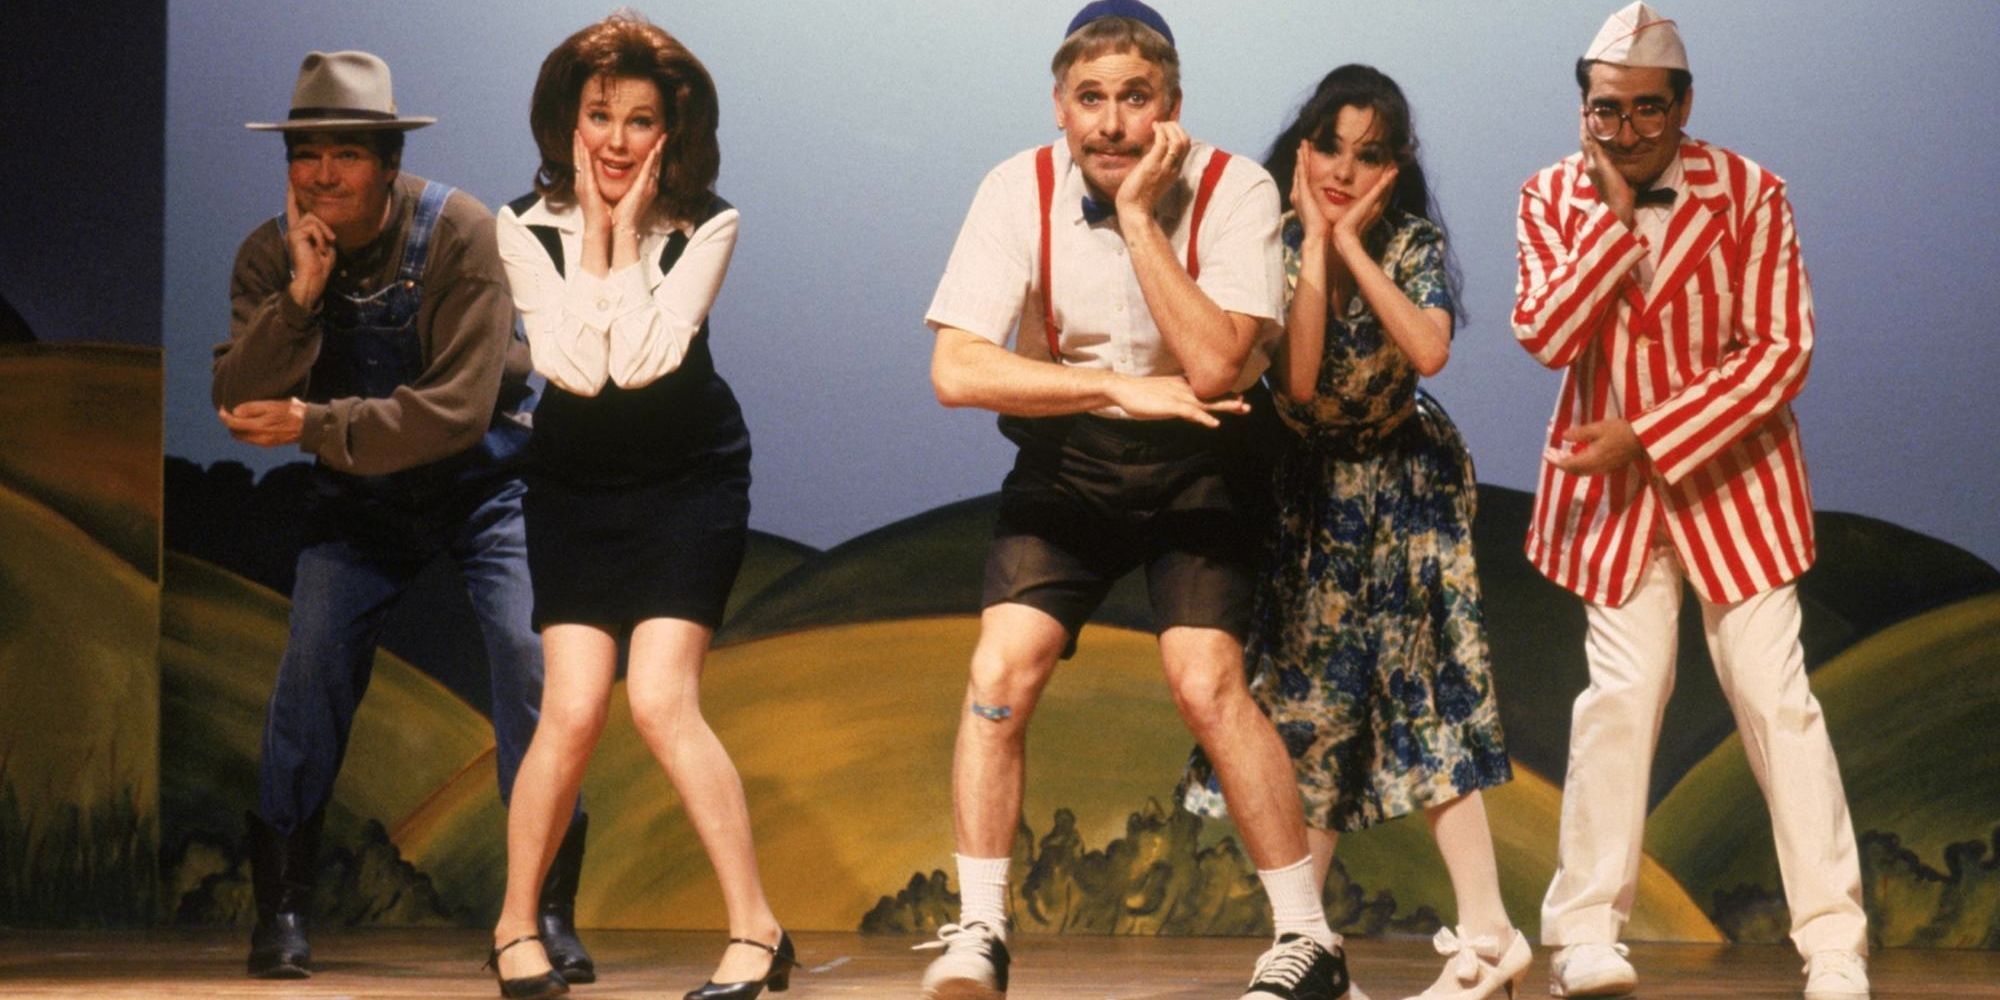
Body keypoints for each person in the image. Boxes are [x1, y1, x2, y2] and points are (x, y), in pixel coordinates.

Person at [919, 3, 1348, 998]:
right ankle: (978, 930)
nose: (1111, 125)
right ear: (1060, 107)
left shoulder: (1236, 187)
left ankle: (1305, 938)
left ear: (1172, 107)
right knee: (998, 672)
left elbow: (1210, 365)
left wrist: (1136, 217)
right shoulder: (1013, 186)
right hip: (1071, 453)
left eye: (1134, 99)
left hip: (1203, 455)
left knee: (1203, 681)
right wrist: (1111, 386)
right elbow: (953, 366)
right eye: (1090, 100)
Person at [1513, 5, 1869, 998]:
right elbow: (1543, 332)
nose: (1622, 134)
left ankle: (1832, 942)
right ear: (1580, 107)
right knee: (1618, 705)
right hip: (1612, 502)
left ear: (1683, 104)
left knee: (1775, 703)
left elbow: (1777, 350)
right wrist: (1613, 225)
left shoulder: (1750, 192)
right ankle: (1583, 931)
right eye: (1602, 113)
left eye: (1643, 114)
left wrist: (1650, 433)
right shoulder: (1550, 195)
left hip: (1734, 486)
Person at [214, 49, 592, 982]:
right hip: (360, 502)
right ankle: (284, 910)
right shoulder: (272, 254)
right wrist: (302, 297)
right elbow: (237, 394)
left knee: (529, 662)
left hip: (483, 487)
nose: (323, 175)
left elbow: (459, 410)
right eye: (306, 154)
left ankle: (543, 911)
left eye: (347, 153)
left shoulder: (459, 233)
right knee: (309, 675)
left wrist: (315, 421)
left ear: (387, 160)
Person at [1180, 64, 1525, 1000]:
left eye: (1367, 153)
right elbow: (1295, 382)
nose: (1342, 166)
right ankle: (1309, 943)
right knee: (1306, 713)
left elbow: (1428, 349)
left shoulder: (1410, 241)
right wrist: (1318, 245)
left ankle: (1489, 932)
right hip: (1306, 498)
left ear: (1395, 165)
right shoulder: (1273, 242)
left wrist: (1352, 242)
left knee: (1424, 698)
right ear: (1303, 146)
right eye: (1330, 145)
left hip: (1403, 490)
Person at [485, 14, 788, 1000]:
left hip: (687, 478)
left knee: (659, 697)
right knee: (569, 709)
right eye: (599, 115)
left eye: (639, 120)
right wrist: (593, 238)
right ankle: (511, 926)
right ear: (566, 122)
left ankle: (754, 931)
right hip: (575, 484)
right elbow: (571, 373)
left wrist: (616, 244)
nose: (615, 142)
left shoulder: (709, 223)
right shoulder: (520, 225)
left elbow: (642, 363)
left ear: (674, 131)